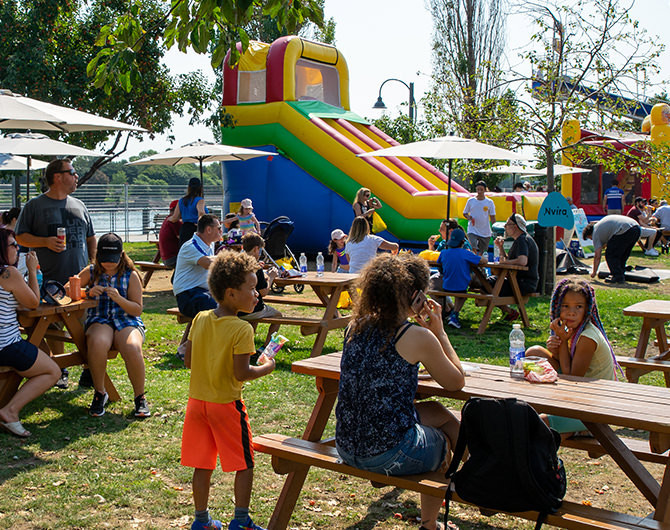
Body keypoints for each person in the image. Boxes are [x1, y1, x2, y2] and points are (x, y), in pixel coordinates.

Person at [335, 253, 465, 530]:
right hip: (386, 451)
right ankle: (431, 523)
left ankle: (480, 473)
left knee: (439, 413)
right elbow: (456, 382)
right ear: (417, 296)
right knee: (442, 442)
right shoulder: (415, 336)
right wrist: (439, 332)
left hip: (347, 445)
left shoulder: (354, 326)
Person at [181, 250, 275, 530]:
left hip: (197, 404)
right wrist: (268, 366)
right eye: (252, 288)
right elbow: (242, 373)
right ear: (232, 294)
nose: (257, 293)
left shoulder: (199, 318)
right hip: (226, 406)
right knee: (245, 463)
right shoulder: (242, 329)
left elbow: (188, 359)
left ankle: (201, 522)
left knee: (203, 463)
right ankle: (242, 521)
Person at [15, 158, 96, 390]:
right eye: (72, 172)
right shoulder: (35, 206)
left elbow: (91, 237)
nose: (77, 176)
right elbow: (20, 237)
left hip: (80, 281)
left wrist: (93, 263)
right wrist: (45, 242)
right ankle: (61, 368)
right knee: (51, 328)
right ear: (58, 177)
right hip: (48, 281)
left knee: (87, 325)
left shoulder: (80, 205)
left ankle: (89, 370)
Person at [526, 279, 618, 438]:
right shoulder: (571, 330)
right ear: (557, 307)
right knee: (534, 353)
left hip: (594, 405)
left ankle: (581, 429)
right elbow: (565, 365)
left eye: (579, 307)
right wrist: (555, 348)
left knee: (539, 425)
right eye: (565, 306)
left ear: (588, 310)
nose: (571, 312)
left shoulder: (587, 337)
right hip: (577, 393)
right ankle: (539, 402)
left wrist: (561, 343)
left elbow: (571, 378)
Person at [73, 233, 150, 418]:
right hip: (99, 319)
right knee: (97, 342)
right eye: (104, 260)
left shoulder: (130, 275)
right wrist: (87, 292)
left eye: (112, 260)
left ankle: (140, 397)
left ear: (121, 255)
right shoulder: (91, 271)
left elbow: (137, 309)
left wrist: (119, 299)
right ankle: (100, 392)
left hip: (126, 319)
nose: (108, 264)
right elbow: (70, 289)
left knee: (132, 346)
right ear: (98, 255)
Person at [0, 229, 60, 437]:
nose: (17, 249)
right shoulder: (8, 274)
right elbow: (33, 303)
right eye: (13, 245)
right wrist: (33, 271)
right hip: (5, 344)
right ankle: (10, 411)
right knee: (53, 371)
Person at [173, 214, 222, 357]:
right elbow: (208, 263)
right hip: (186, 295)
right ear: (208, 230)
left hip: (200, 293)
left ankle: (188, 347)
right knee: (215, 309)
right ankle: (188, 349)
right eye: (218, 228)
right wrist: (225, 257)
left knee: (229, 302)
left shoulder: (210, 244)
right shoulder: (191, 246)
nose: (221, 231)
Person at [491, 214, 539, 321]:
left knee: (487, 284)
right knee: (486, 283)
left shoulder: (523, 240)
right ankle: (508, 312)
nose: (505, 227)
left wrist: (504, 263)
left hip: (523, 284)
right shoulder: (519, 240)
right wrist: (501, 248)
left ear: (515, 226)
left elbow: (522, 261)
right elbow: (508, 261)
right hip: (518, 281)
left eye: (507, 224)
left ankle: (509, 312)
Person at [438, 228, 487, 329]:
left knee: (458, 289)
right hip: (461, 287)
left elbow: (439, 262)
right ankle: (455, 314)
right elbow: (483, 261)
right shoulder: (466, 253)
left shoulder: (444, 253)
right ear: (463, 241)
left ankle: (452, 313)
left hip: (446, 285)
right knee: (462, 294)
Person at [238, 232, 281, 347]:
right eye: (260, 251)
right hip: (252, 310)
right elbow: (264, 292)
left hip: (236, 308)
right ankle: (266, 347)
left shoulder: (237, 263)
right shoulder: (255, 267)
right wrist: (271, 277)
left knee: (254, 318)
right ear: (256, 249)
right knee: (278, 316)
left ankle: (248, 346)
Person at [583, 215, 640, 284]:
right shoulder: (600, 226)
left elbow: (597, 256)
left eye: (590, 238)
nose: (592, 240)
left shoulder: (595, 233)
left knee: (610, 254)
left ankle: (617, 276)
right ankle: (621, 273)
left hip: (624, 229)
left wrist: (594, 272)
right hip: (636, 227)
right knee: (623, 254)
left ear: (589, 234)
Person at [169, 177, 207, 247]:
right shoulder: (200, 200)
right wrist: (202, 223)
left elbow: (175, 218)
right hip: (196, 229)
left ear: (188, 187)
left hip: (185, 229)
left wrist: (168, 219)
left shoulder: (181, 201)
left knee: (185, 251)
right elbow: (201, 212)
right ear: (200, 188)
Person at [462, 180, 496, 256]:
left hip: (485, 231)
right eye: (478, 190)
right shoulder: (471, 201)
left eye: (481, 190)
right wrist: (469, 217)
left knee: (483, 252)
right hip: (472, 229)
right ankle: (474, 261)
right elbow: (465, 213)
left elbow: (492, 216)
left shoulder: (489, 202)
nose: (479, 191)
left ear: (485, 190)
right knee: (473, 246)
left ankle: (480, 265)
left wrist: (494, 228)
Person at [159, 200, 182, 268]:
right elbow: (183, 238)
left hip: (166, 258)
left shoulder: (168, 219)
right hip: (172, 259)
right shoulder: (174, 221)